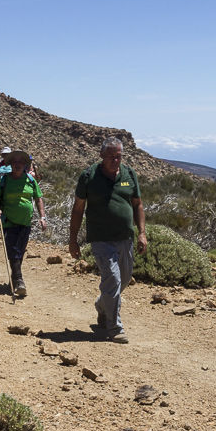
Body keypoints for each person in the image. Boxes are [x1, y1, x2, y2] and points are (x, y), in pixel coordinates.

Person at [68, 137, 147, 344]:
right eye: (111, 156)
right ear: (102, 155)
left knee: (125, 278)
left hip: (125, 238)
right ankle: (114, 327)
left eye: (119, 156)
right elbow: (78, 209)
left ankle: (103, 305)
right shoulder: (89, 176)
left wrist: (141, 232)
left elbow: (137, 204)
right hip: (101, 239)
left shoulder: (129, 174)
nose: (115, 160)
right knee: (112, 279)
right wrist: (73, 239)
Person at [0, 150, 46, 297]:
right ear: (10, 164)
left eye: (20, 162)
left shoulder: (30, 180)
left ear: (25, 165)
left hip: (25, 223)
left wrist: (43, 217)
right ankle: (19, 281)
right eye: (14, 162)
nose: (17, 165)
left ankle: (15, 277)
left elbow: (38, 198)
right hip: (8, 222)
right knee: (13, 251)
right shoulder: (3, 181)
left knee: (20, 252)